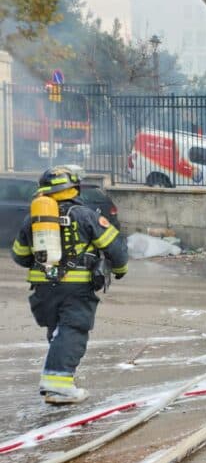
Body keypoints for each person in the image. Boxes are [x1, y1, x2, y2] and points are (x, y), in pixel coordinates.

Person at [11, 166, 128, 405]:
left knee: (58, 332)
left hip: (43, 287)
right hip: (76, 287)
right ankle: (58, 385)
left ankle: (59, 380)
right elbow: (114, 247)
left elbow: (20, 256)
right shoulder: (86, 215)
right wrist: (119, 269)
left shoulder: (34, 219)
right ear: (73, 188)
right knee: (73, 329)